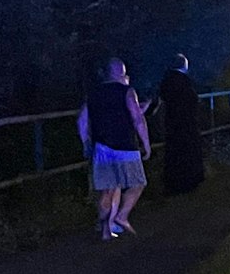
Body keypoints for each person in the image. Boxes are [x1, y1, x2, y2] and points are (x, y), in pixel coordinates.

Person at [77, 58, 151, 241]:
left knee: (107, 190)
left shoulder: (93, 93)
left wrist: (86, 143)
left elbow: (81, 121)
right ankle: (121, 216)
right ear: (121, 73)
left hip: (102, 148)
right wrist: (146, 144)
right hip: (125, 147)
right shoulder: (127, 91)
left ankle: (105, 229)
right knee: (137, 184)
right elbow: (137, 119)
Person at [155, 53, 205, 194]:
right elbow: (193, 100)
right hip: (187, 123)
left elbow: (161, 99)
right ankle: (189, 182)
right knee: (188, 152)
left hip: (172, 123)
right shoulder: (186, 81)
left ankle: (173, 183)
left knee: (174, 153)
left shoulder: (166, 81)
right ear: (184, 65)